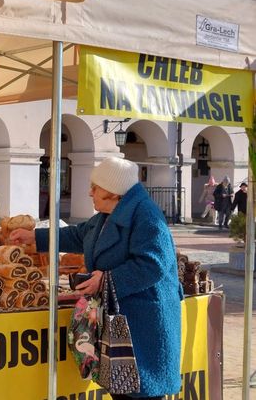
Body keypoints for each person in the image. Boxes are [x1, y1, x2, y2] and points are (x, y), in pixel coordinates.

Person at [10, 157, 183, 400]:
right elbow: (79, 235)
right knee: (124, 388)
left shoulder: (146, 215)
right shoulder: (108, 214)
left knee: (142, 392)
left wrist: (107, 279)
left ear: (113, 191)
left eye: (96, 187)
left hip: (145, 320)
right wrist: (34, 237)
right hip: (122, 318)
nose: (90, 192)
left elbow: (153, 264)